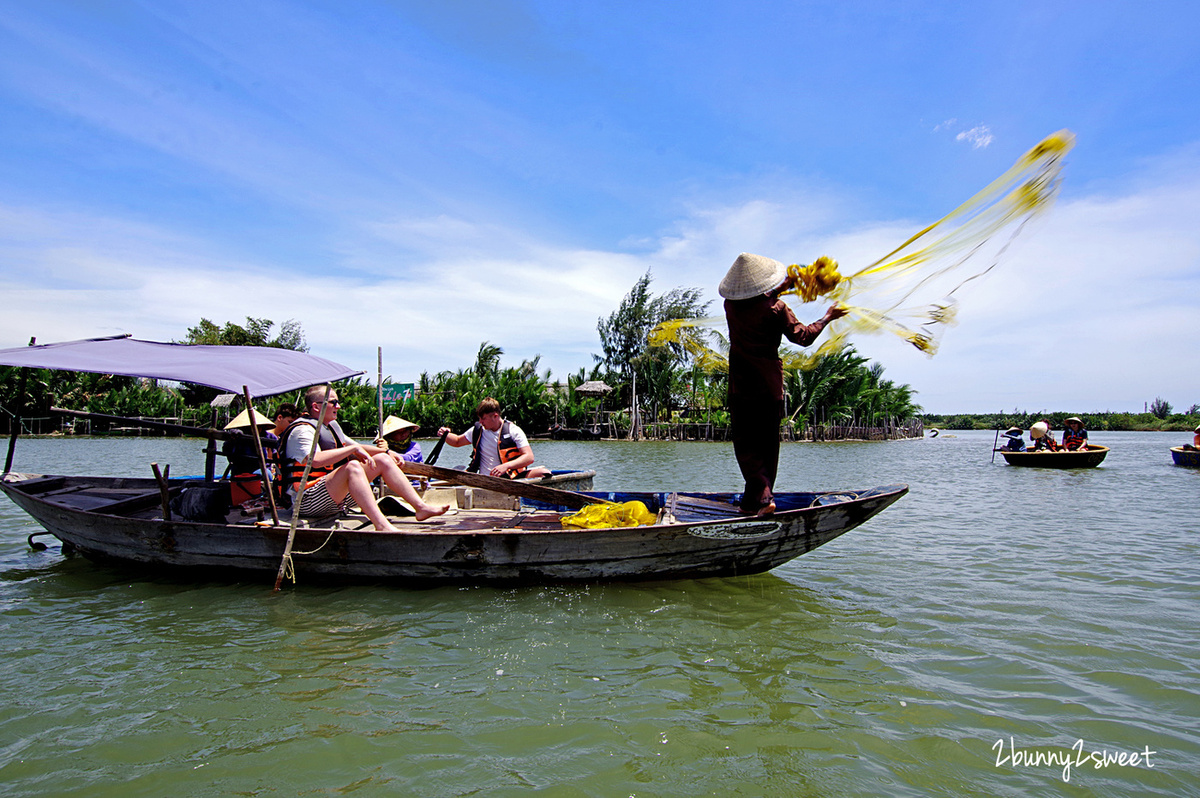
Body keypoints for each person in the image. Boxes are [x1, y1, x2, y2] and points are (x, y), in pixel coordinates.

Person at [721, 252, 847, 516]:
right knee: (767, 446)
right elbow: (803, 337)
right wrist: (827, 316)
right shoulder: (777, 309)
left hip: (741, 387)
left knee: (747, 447)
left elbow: (759, 297)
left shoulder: (731, 307)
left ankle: (756, 502)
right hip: (768, 387)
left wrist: (789, 283)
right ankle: (761, 500)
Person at [277, 385, 449, 530]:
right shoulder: (302, 430)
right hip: (307, 501)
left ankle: (421, 508)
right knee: (352, 466)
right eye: (333, 402)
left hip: (335, 498)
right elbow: (313, 460)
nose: (338, 406)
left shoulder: (331, 427)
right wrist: (351, 450)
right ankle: (382, 526)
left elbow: (358, 447)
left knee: (382, 460)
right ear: (316, 407)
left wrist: (388, 453)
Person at [437, 397, 551, 479]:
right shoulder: (478, 430)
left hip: (511, 478)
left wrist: (505, 466)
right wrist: (445, 434)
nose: (480, 422)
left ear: (495, 416)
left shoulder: (513, 431)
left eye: (484, 418)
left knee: (544, 473)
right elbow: (457, 441)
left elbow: (529, 457)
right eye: (479, 419)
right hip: (486, 480)